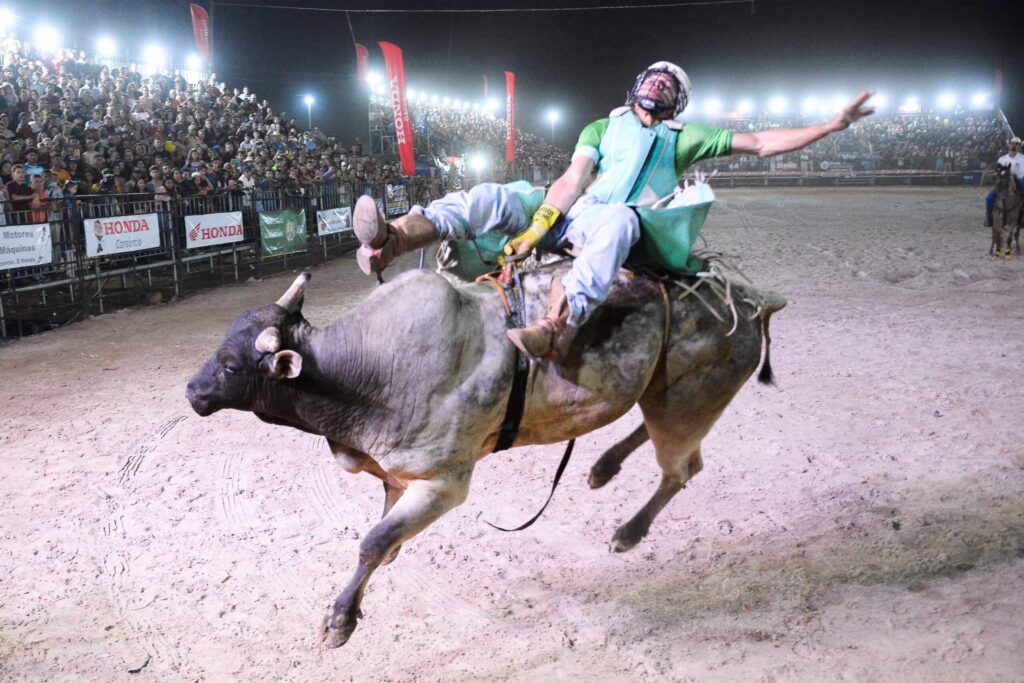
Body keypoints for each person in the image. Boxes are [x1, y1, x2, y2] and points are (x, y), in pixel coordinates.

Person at [353, 61, 874, 358]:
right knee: (488, 196)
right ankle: (392, 239)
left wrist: (829, 126)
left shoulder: (685, 138)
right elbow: (571, 180)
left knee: (622, 218)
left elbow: (760, 142)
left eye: (668, 84)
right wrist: (537, 229)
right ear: (635, 88)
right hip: (571, 210)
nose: (657, 83)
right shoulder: (602, 128)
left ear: (678, 103)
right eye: (651, 77)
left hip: (613, 224)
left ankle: (556, 325)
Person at [985, 136, 1024, 227]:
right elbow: (999, 171)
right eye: (1012, 143)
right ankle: (989, 217)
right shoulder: (1002, 159)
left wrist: (1012, 175)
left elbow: (1022, 173)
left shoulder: (1022, 158)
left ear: (1019, 146)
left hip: (1016, 180)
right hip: (1003, 180)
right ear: (1009, 145)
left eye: (1016, 144)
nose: (1014, 145)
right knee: (989, 198)